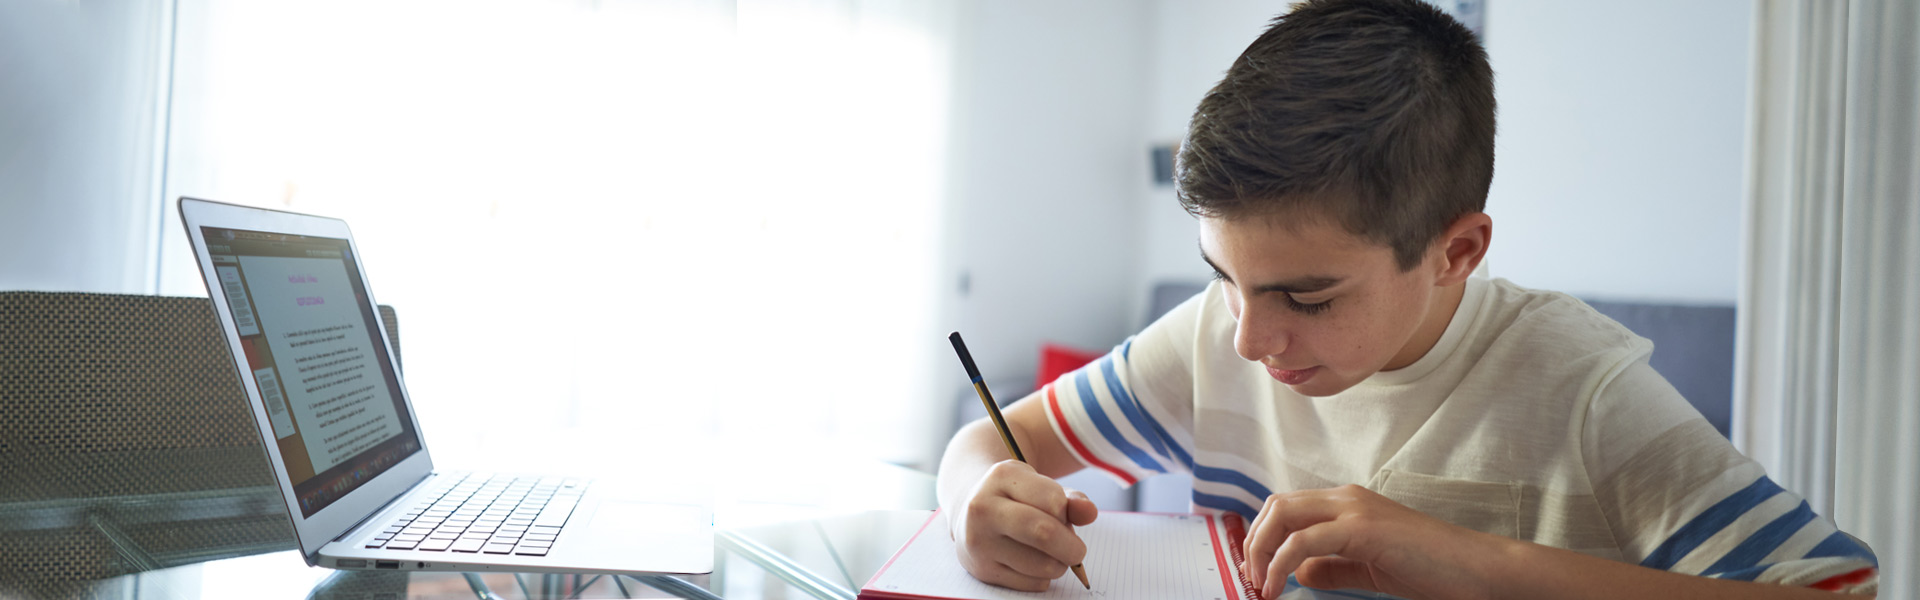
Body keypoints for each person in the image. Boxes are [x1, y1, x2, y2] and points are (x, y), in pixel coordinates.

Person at [933, 0, 1880, 598]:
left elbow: (1837, 587)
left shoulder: (1579, 387)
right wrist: (979, 501)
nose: (1252, 338)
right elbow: (982, 440)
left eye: (1307, 296)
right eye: (1225, 277)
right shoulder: (1207, 340)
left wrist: (1474, 563)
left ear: (1455, 251)